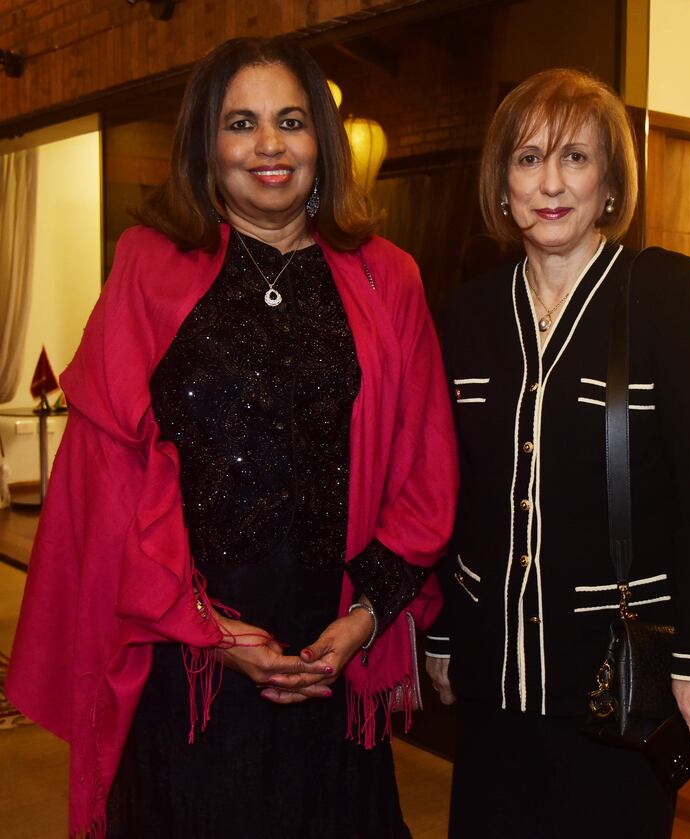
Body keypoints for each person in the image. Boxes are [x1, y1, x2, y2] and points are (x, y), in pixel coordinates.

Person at [8, 37, 458, 839]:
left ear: (321, 136)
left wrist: (359, 623)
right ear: (205, 147)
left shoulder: (388, 275)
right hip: (191, 670)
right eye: (240, 123)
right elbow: (110, 476)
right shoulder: (149, 265)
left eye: (290, 120)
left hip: (334, 665)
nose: (269, 145)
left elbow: (427, 473)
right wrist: (209, 632)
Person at [425, 68, 690, 838]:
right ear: (502, 183)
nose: (550, 182)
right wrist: (439, 630)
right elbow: (455, 487)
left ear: (609, 181)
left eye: (576, 157)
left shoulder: (665, 292)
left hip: (617, 679)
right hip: (492, 676)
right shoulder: (466, 311)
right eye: (528, 158)